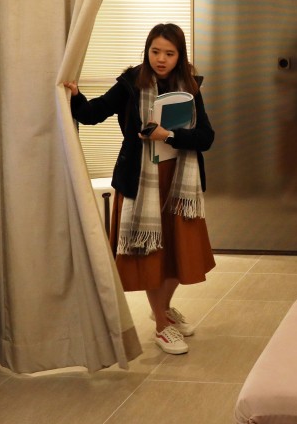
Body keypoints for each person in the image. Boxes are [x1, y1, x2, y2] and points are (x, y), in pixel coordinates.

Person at [64, 23, 215, 355]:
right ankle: (161, 324)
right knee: (152, 255)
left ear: (180, 55)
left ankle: (164, 308)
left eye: (169, 53)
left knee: (181, 250)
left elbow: (206, 137)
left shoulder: (189, 85)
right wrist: (75, 96)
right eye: (155, 51)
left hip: (179, 181)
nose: (161, 59)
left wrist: (169, 135)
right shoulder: (132, 82)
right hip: (141, 181)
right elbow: (92, 115)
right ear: (147, 51)